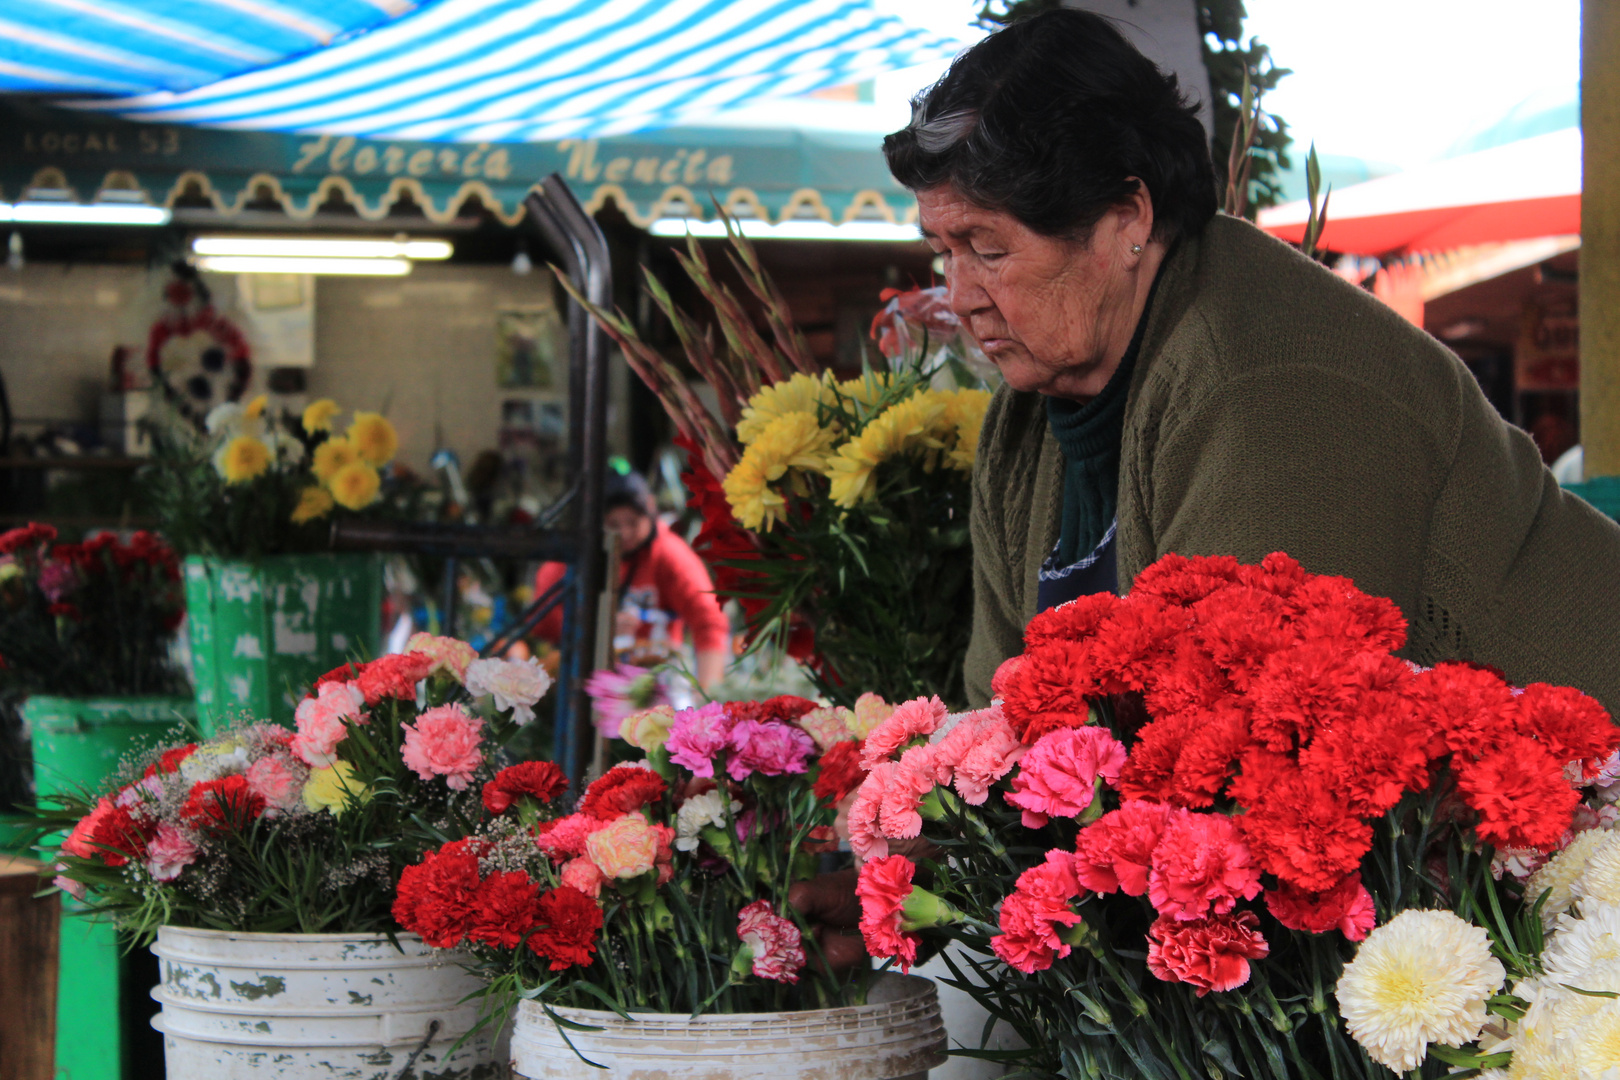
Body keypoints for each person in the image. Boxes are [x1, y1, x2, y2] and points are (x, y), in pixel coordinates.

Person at [793, 6, 1620, 954]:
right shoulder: (1034, 417)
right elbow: (1005, 719)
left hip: (1581, 868)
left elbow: (1246, 764)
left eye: (989, 247)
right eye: (944, 250)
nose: (962, 292)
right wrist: (922, 893)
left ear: (1128, 218)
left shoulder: (1268, 383)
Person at [532, 469, 731, 689]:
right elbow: (541, 620)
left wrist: (707, 694)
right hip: (580, 681)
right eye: (613, 525)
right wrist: (598, 628)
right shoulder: (576, 556)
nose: (624, 533)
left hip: (654, 684)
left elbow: (709, 622)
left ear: (651, 512)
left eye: (633, 522)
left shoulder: (670, 555)